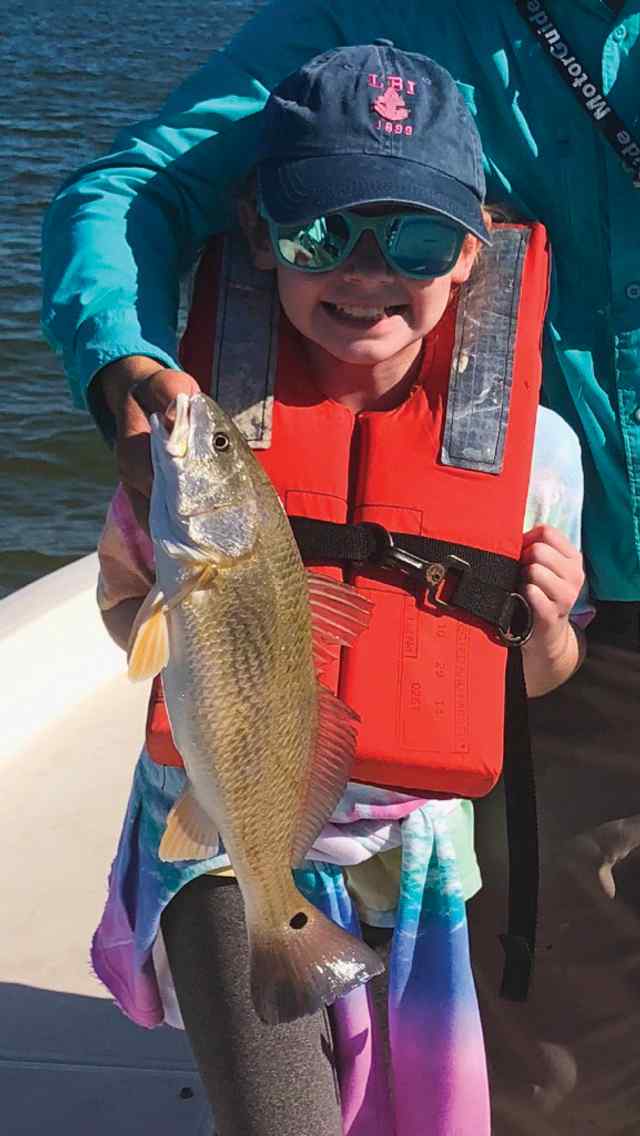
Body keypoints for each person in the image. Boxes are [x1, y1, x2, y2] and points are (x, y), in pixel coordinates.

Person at [41, 3, 640, 1131]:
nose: (368, 271)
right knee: (515, 1057)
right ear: (264, 235)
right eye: (322, 235)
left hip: (430, 835)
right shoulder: (383, 18)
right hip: (250, 832)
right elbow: (129, 192)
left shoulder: (538, 460)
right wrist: (128, 374)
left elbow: (534, 664)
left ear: (471, 256)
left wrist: (547, 629)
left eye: (415, 243)